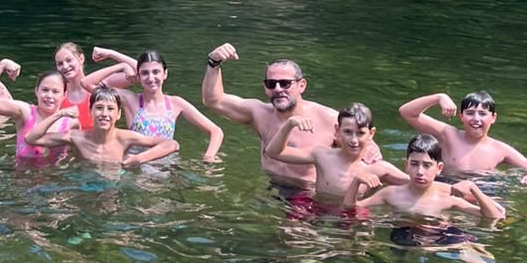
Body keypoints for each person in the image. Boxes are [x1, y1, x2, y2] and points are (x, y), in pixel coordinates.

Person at [201, 43, 378, 181]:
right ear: (265, 87)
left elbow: (368, 150)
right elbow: (213, 101)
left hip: (307, 194)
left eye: (285, 83)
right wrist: (214, 62)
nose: (278, 89)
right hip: (272, 187)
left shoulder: (330, 119)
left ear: (302, 85)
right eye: (271, 84)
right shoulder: (259, 113)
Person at [344, 134, 504, 263]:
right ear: (406, 165)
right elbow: (351, 208)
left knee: (471, 247)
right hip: (406, 235)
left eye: (427, 165)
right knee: (392, 256)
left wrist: (473, 188)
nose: (420, 171)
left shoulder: (447, 197)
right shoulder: (391, 194)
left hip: (441, 233)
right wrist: (356, 181)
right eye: (414, 164)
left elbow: (495, 216)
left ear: (439, 168)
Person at [398, 89, 527, 184]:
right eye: (470, 113)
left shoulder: (500, 149)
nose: (476, 119)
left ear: (493, 118)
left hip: (482, 191)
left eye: (482, 114)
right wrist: (439, 97)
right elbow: (407, 112)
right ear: (461, 116)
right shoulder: (449, 135)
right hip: (446, 187)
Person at [96, 49, 224, 162]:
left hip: (166, 166)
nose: (151, 78)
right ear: (138, 76)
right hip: (135, 164)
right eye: (145, 73)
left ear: (165, 74)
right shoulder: (130, 100)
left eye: (156, 72)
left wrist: (209, 157)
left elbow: (216, 131)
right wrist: (118, 61)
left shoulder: (176, 103)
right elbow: (92, 84)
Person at [263, 102, 406, 199]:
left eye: (360, 133)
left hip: (353, 216)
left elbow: (417, 184)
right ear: (337, 130)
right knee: (292, 230)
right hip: (318, 210)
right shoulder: (322, 155)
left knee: (362, 234)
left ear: (371, 133)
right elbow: (274, 152)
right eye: (348, 132)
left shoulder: (379, 169)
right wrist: (289, 125)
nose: (354, 140)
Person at [24, 86, 178, 168]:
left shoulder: (125, 138)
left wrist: (139, 158)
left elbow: (172, 144)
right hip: (83, 187)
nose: (104, 114)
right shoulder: (76, 137)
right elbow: (31, 139)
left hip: (115, 189)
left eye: (110, 109)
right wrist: (59, 114)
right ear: (90, 111)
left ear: (118, 114)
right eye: (99, 108)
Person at [0, 59, 78, 162]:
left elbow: (75, 154)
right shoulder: (25, 112)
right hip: (24, 170)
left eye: (55, 92)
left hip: (56, 171)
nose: (49, 95)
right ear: (36, 91)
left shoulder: (71, 123)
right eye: (45, 90)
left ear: (64, 95)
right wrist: (2, 65)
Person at [55, 42, 129, 128]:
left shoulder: (101, 85)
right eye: (60, 63)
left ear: (81, 59)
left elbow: (137, 73)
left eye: (69, 60)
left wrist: (111, 54)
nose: (65, 66)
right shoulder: (57, 94)